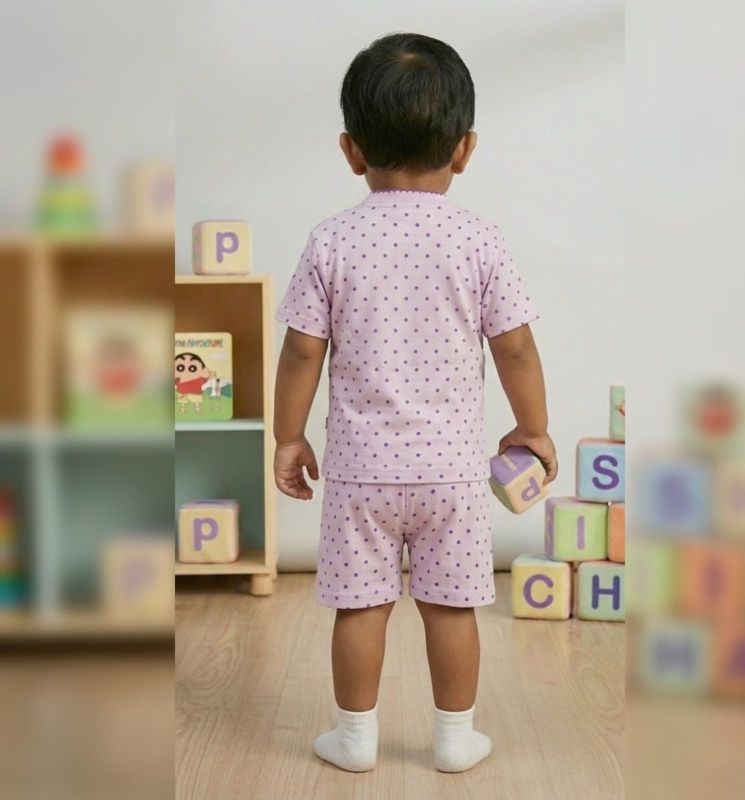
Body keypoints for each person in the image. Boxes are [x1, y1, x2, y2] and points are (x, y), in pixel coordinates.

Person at [273, 32, 557, 773]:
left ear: (351, 150)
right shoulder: (480, 241)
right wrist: (533, 429)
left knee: (360, 607)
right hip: (451, 473)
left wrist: (288, 436)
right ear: (464, 149)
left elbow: (302, 350)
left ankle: (354, 740)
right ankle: (455, 739)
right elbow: (516, 347)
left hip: (360, 472)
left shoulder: (331, 241)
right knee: (452, 608)